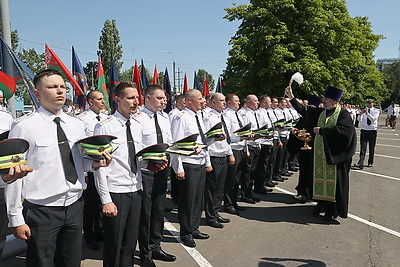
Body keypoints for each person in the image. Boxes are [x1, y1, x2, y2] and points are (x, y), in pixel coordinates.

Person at [4, 69, 112, 267]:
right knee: (41, 263)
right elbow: (14, 175)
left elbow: (78, 161)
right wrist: (16, 218)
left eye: (62, 86)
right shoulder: (24, 127)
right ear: (37, 94)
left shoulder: (76, 125)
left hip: (74, 205)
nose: (60, 91)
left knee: (71, 262)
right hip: (42, 210)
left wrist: (95, 163)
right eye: (52, 87)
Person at [94, 81, 160, 267]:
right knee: (114, 243)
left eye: (137, 98)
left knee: (130, 243)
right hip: (116, 191)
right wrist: (106, 199)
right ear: (117, 100)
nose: (136, 102)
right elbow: (100, 167)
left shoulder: (138, 124)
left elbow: (136, 157)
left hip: (136, 189)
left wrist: (151, 164)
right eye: (131, 98)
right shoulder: (105, 126)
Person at [285, 85, 356, 222]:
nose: (324, 100)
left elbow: (345, 133)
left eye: (327, 99)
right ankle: (321, 204)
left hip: (334, 157)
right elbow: (304, 111)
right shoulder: (322, 113)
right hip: (320, 155)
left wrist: (323, 131)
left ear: (334, 101)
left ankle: (331, 211)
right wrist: (291, 98)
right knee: (318, 180)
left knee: (333, 185)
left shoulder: (343, 114)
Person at [134, 84, 176, 266]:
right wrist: (146, 165)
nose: (164, 101)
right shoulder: (137, 119)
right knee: (145, 213)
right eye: (159, 98)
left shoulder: (165, 118)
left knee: (158, 211)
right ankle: (145, 253)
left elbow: (169, 143)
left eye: (165, 98)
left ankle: (156, 246)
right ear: (148, 98)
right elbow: (135, 150)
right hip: (145, 173)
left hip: (162, 170)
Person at [170, 89, 212, 248]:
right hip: (188, 164)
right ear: (189, 101)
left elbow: (202, 140)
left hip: (199, 163)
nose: (202, 101)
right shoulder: (181, 118)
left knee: (197, 199)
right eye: (199, 98)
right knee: (187, 200)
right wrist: (178, 168)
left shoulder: (198, 116)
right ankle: (185, 232)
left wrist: (207, 162)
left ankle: (194, 228)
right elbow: (176, 144)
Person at [77, 90, 108, 251]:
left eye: (103, 98)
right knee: (90, 204)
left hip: (103, 166)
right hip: (89, 167)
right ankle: (89, 235)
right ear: (90, 102)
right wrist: (82, 173)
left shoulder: (106, 118)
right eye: (99, 99)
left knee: (102, 201)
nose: (103, 101)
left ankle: (100, 229)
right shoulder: (82, 120)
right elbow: (79, 147)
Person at [203, 93, 234, 228]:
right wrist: (207, 161)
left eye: (224, 101)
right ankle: (210, 216)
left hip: (223, 155)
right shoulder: (208, 117)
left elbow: (226, 138)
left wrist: (229, 153)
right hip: (213, 155)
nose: (224, 103)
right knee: (211, 188)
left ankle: (216, 212)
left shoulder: (222, 116)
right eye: (221, 101)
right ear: (213, 102)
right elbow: (205, 140)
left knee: (220, 188)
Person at [223, 94, 249, 215]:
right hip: (233, 149)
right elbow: (228, 136)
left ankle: (233, 201)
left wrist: (246, 148)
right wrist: (241, 137)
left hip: (240, 148)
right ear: (229, 103)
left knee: (237, 178)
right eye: (236, 101)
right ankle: (228, 204)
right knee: (231, 179)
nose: (239, 103)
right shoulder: (227, 115)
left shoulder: (237, 114)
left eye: (239, 101)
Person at [354, 96, 380, 169]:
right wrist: (361, 114)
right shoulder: (364, 110)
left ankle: (370, 162)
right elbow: (358, 119)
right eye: (367, 103)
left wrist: (367, 113)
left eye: (370, 103)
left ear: (373, 103)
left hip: (372, 130)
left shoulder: (376, 111)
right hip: (364, 130)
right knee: (363, 148)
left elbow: (373, 119)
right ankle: (361, 163)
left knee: (371, 147)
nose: (369, 104)